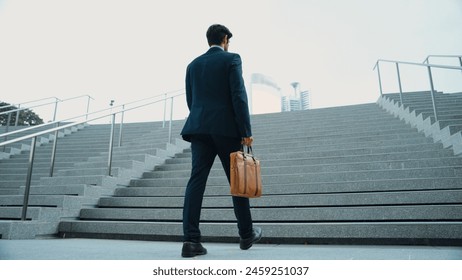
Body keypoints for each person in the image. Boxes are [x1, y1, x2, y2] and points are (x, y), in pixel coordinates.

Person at [180, 24, 262, 258]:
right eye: (228, 41)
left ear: (209, 40)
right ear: (225, 39)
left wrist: (202, 120)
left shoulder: (192, 65)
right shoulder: (232, 59)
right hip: (226, 129)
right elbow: (238, 95)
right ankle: (246, 234)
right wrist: (245, 129)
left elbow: (191, 100)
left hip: (199, 129)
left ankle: (190, 240)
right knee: (238, 181)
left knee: (196, 182)